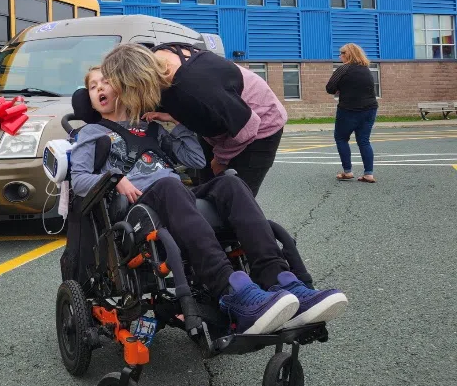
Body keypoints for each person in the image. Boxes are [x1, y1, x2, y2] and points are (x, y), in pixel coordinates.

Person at [71, 67, 348, 335]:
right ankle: (231, 291)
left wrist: (176, 123)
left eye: (104, 82)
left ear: (121, 87)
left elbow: (196, 160)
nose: (99, 89)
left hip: (175, 196)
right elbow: (79, 178)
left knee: (230, 183)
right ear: (91, 101)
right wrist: (115, 178)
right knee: (170, 185)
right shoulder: (91, 133)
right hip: (138, 207)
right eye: (93, 87)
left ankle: (279, 279)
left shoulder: (152, 128)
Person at [98, 43, 287, 197]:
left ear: (137, 82)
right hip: (222, 117)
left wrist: (221, 158)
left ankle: (255, 241)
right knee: (207, 190)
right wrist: (175, 115)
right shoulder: (156, 58)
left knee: (235, 196)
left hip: (260, 123)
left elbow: (248, 126)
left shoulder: (193, 88)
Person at [326, 43, 378, 183]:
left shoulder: (343, 69)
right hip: (370, 109)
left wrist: (339, 89)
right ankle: (369, 174)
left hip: (349, 110)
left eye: (341, 54)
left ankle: (347, 171)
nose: (339, 56)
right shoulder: (366, 69)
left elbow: (330, 88)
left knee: (341, 138)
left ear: (347, 55)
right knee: (364, 141)